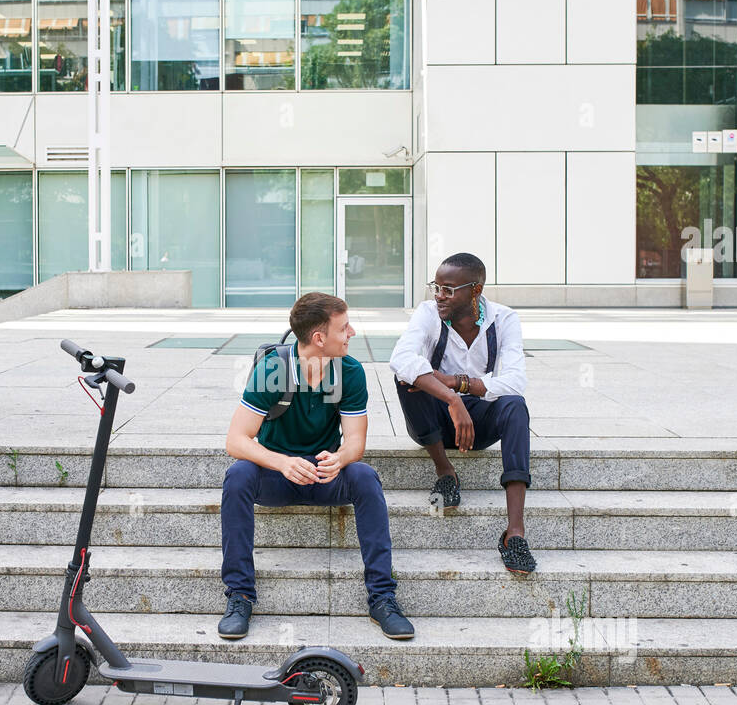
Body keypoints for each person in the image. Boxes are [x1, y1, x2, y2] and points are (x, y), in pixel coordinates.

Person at [220, 293, 414, 640]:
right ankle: (240, 595)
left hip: (326, 475)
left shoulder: (350, 372)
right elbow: (236, 440)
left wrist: (341, 458)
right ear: (319, 338)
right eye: (344, 327)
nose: (352, 332)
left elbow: (355, 441)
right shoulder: (273, 370)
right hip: (277, 476)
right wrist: (282, 463)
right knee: (238, 475)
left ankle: (383, 598)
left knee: (365, 476)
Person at [389, 252, 536, 574]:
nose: (439, 296)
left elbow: (515, 380)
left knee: (514, 405)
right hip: (435, 422)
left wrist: (460, 384)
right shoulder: (428, 313)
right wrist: (452, 400)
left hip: (478, 424)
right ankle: (446, 473)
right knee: (408, 380)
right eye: (436, 287)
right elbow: (401, 358)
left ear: (476, 290)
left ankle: (515, 533)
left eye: (449, 289)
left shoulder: (504, 319)